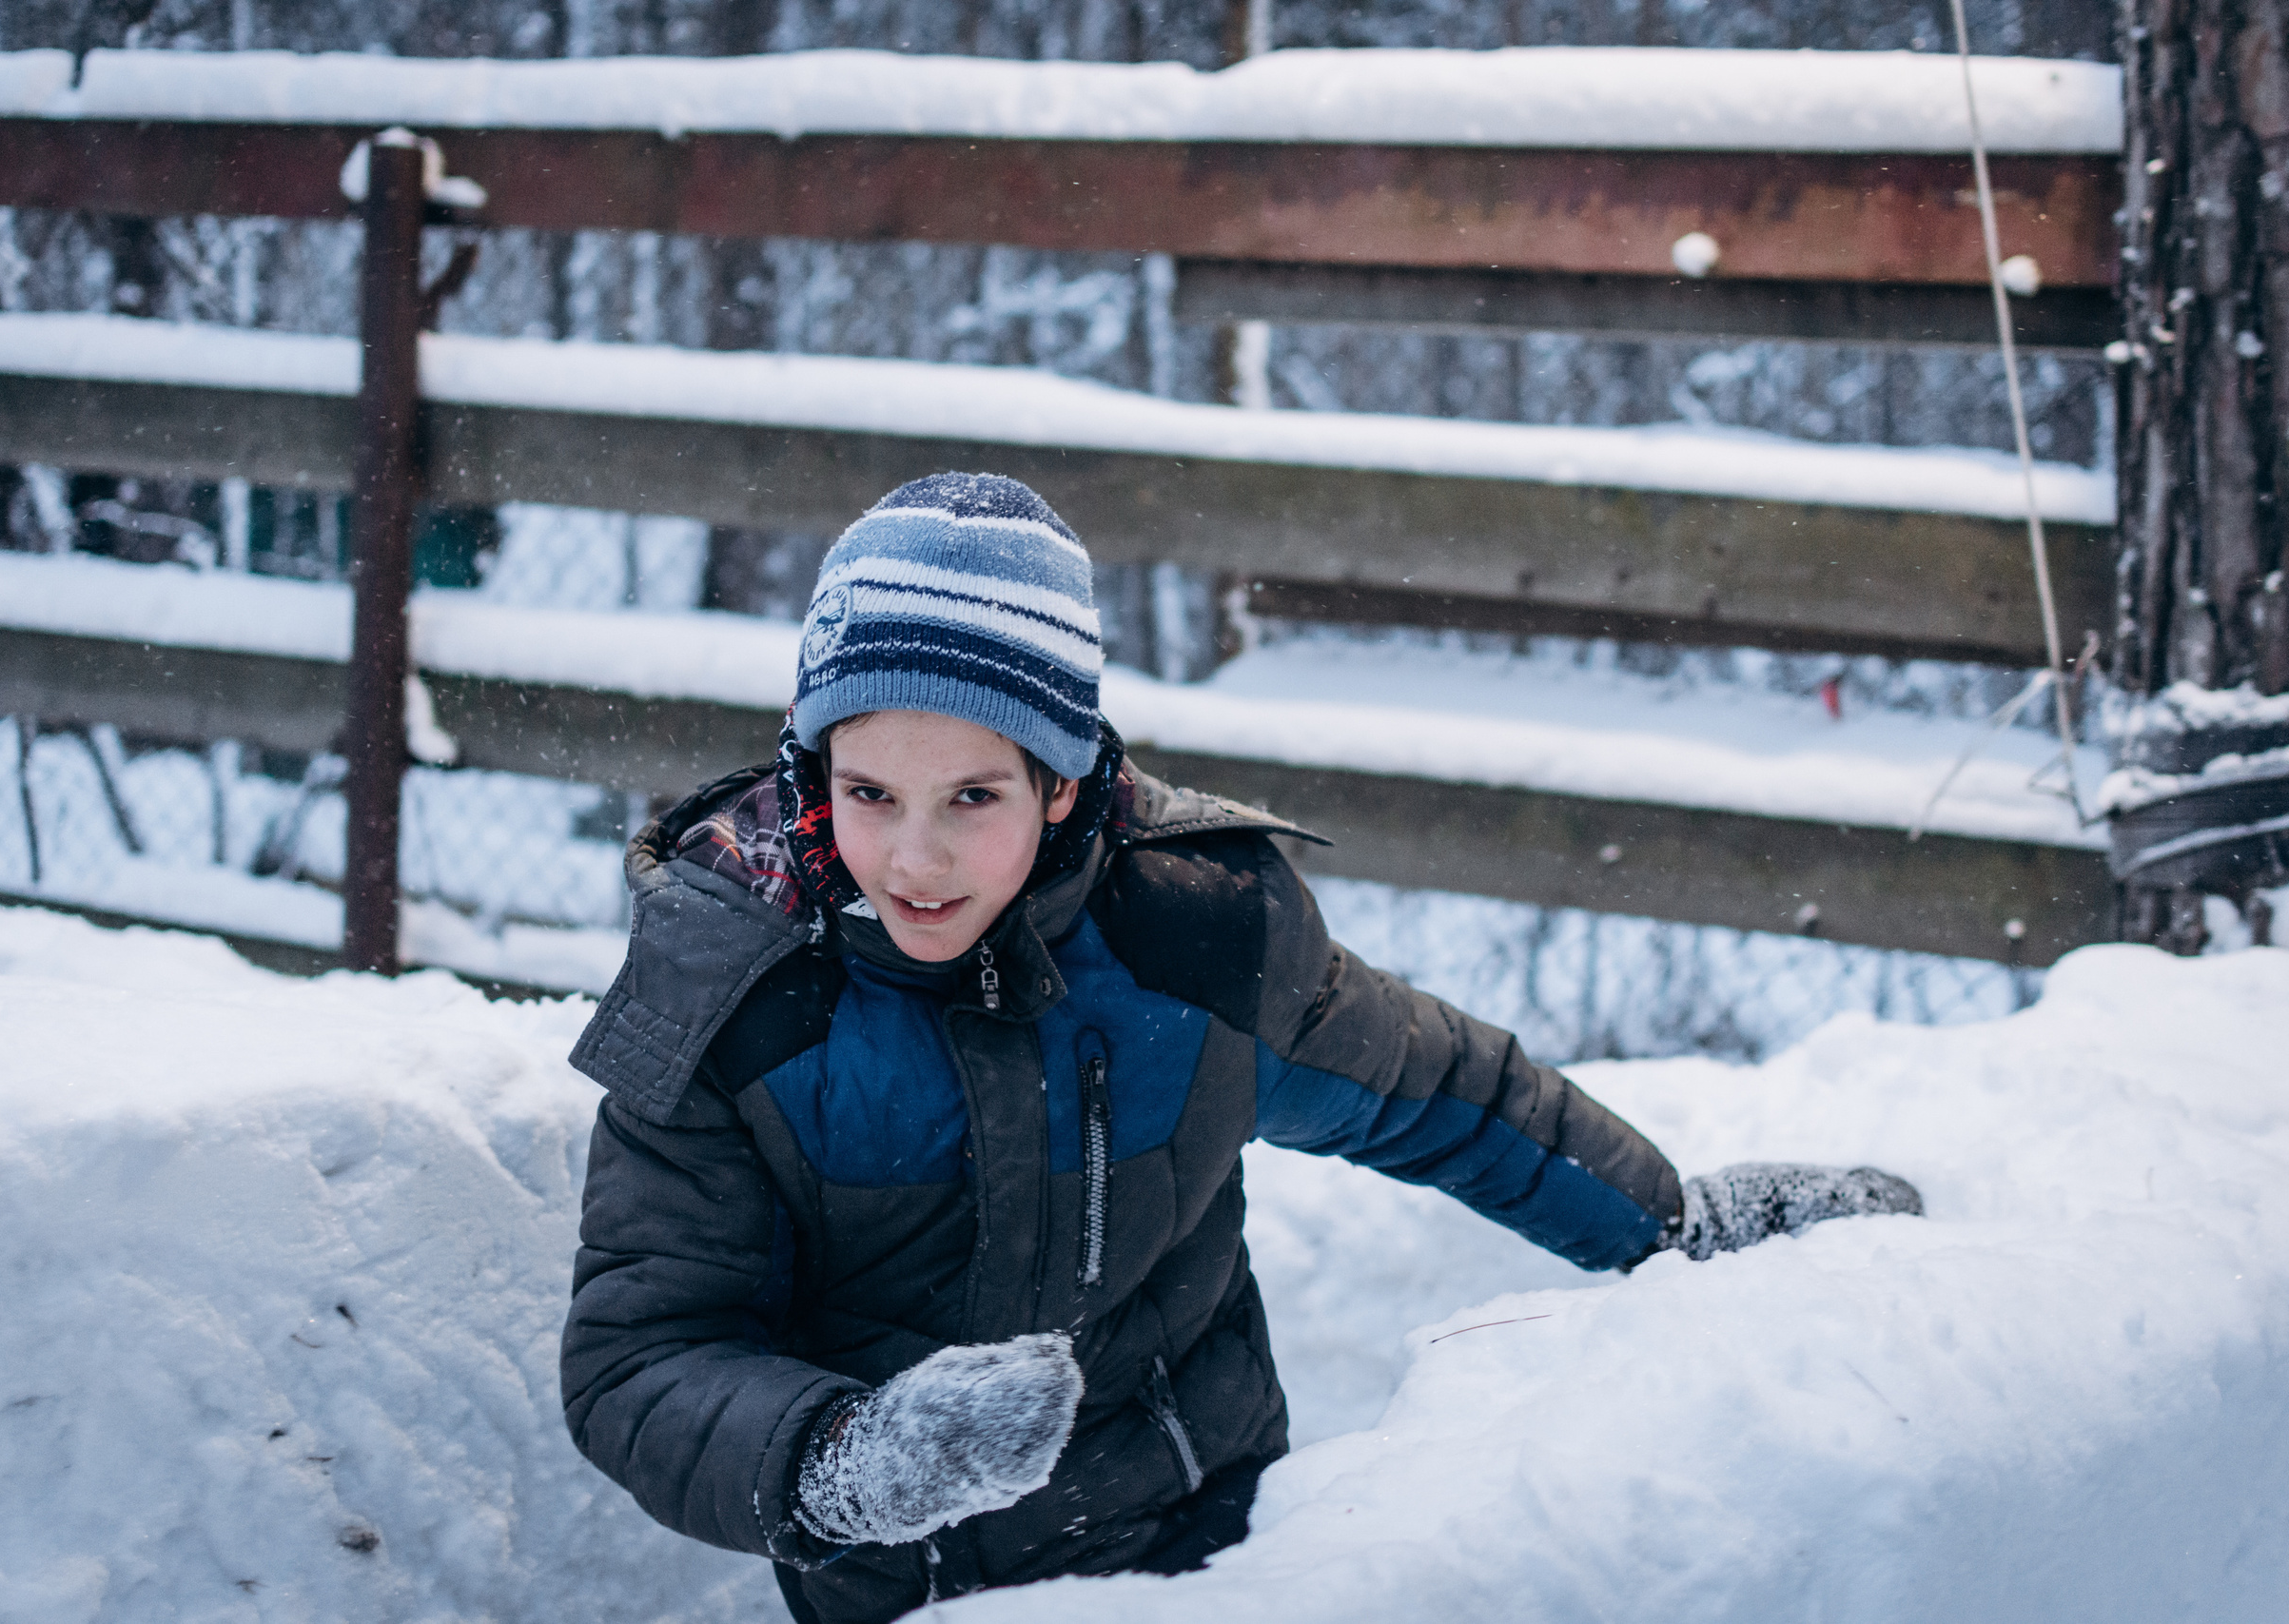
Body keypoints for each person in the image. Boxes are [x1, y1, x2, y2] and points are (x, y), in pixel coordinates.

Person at [559, 473, 1921, 1624]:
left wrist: (1668, 1226)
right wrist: (845, 1465)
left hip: (1209, 1548)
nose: (914, 855)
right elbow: (642, 1357)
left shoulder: (1193, 937)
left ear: (1063, 781)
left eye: (973, 796)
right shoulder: (732, 992)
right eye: (869, 794)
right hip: (908, 1592)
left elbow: (1443, 1095)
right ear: (813, 779)